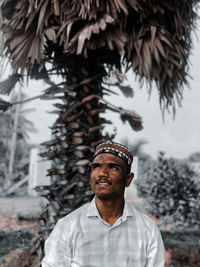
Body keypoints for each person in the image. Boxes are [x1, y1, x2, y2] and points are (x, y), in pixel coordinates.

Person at [42, 141, 165, 267]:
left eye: (113, 167)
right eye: (96, 167)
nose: (102, 173)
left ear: (128, 179)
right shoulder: (67, 227)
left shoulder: (147, 229)